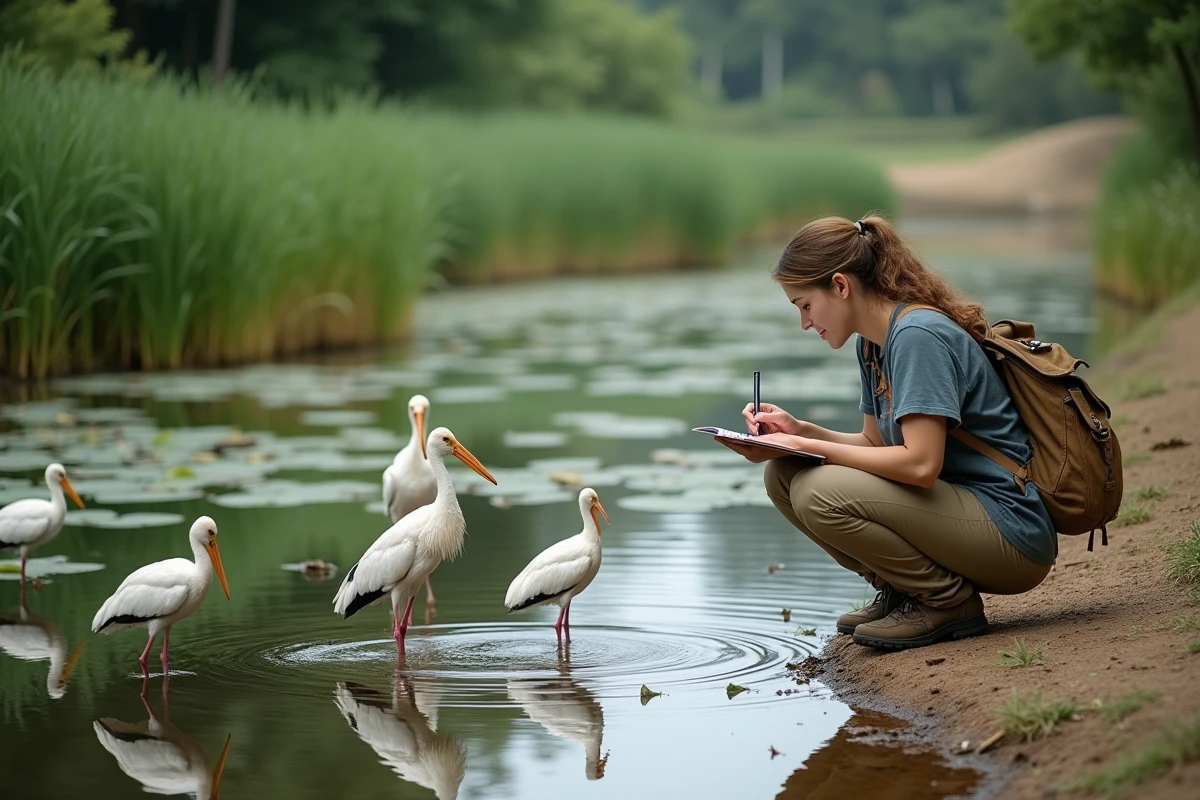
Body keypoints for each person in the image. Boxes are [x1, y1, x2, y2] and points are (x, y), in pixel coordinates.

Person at [721, 214, 1056, 650]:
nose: (805, 322)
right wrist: (796, 432)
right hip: (962, 515)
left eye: (805, 305)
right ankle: (903, 589)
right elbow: (873, 445)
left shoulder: (917, 337)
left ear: (840, 286)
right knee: (783, 475)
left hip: (1010, 531)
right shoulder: (873, 343)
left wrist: (802, 443)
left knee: (817, 491)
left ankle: (947, 601)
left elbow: (920, 465)